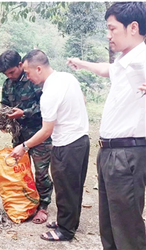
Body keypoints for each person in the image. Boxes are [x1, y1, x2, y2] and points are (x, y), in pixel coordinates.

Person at [67, 2, 146, 249]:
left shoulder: (142, 58)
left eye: (112, 29)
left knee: (127, 231)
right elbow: (107, 70)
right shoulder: (126, 61)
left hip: (127, 154)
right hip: (110, 153)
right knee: (110, 227)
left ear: (133, 27)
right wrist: (82, 63)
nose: (108, 35)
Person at [11, 49, 89, 241]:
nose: (27, 77)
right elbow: (83, 101)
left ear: (38, 68)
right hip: (81, 140)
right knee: (73, 186)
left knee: (64, 187)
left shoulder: (49, 93)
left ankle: (65, 231)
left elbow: (46, 131)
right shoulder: (67, 78)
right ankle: (68, 221)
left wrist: (24, 146)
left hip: (67, 144)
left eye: (28, 73)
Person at [0, 50, 53, 224]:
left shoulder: (34, 80)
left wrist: (24, 113)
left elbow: (46, 105)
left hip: (39, 133)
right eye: (6, 74)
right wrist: (4, 119)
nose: (10, 76)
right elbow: (5, 104)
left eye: (12, 72)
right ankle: (28, 202)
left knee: (41, 171)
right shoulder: (8, 84)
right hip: (19, 136)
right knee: (22, 171)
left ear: (20, 65)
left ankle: (43, 206)